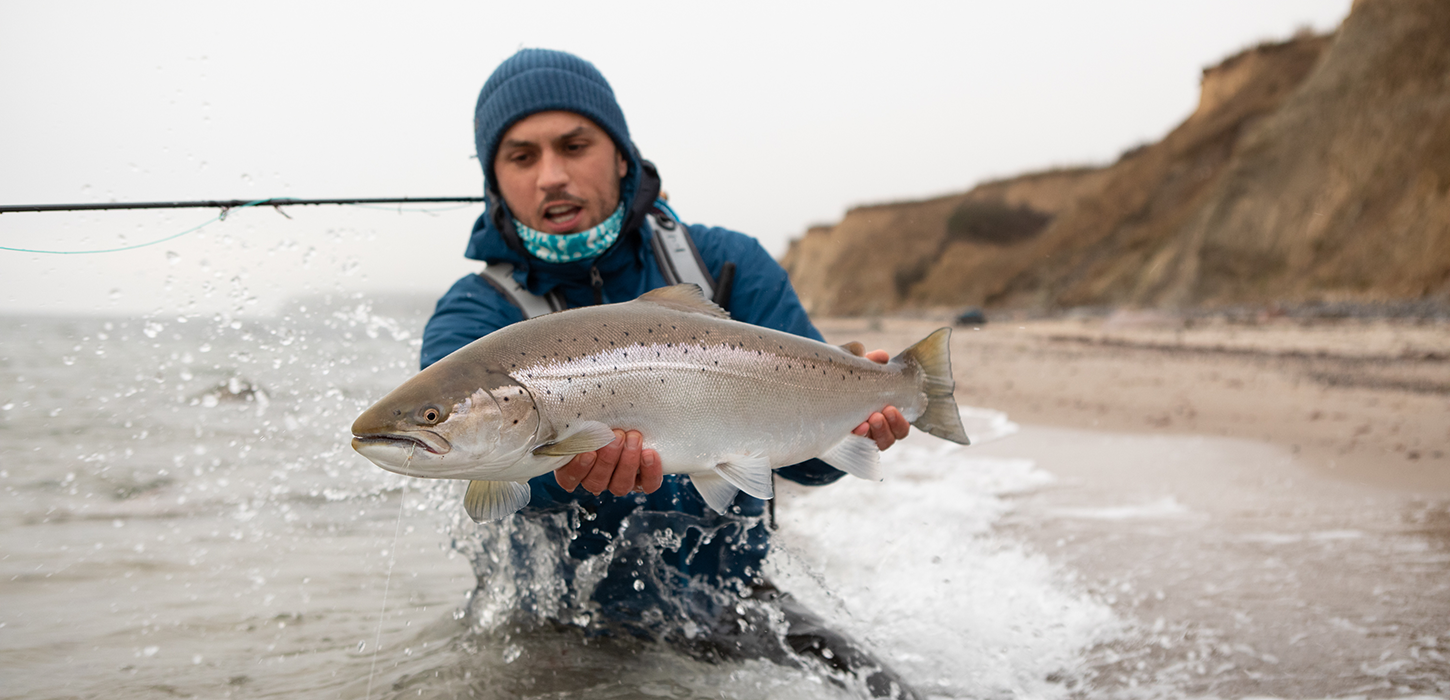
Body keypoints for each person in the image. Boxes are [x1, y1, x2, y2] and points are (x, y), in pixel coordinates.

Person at [421, 48, 918, 699]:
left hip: (734, 602)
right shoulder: (472, 315)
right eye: (521, 156)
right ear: (496, 180)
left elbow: (805, 466)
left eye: (574, 146)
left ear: (623, 156)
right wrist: (568, 479)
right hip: (554, 628)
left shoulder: (725, 265)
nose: (550, 176)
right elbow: (473, 472)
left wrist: (852, 427)